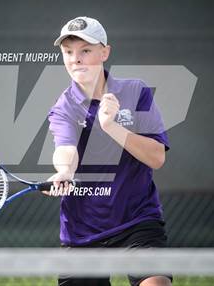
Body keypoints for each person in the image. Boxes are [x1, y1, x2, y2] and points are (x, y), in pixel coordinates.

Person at [45, 16, 172, 286]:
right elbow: (65, 149)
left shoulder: (136, 92)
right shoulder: (64, 107)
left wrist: (111, 127)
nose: (75, 59)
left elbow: (157, 157)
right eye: (68, 52)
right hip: (82, 232)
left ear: (105, 52)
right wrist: (64, 172)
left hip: (137, 221)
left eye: (85, 51)